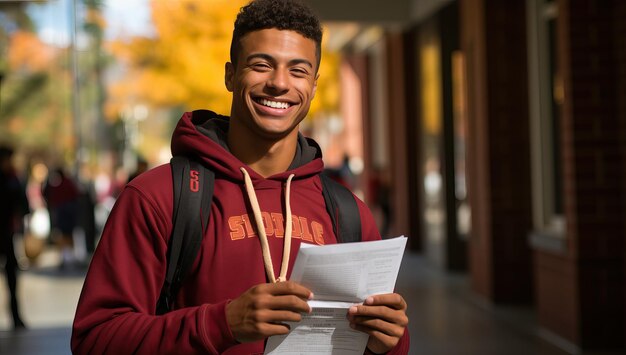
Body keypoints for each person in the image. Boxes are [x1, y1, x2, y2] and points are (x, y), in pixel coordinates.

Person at [71, 0, 409, 353]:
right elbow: (94, 339)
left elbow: (375, 343)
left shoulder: (347, 212)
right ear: (231, 75)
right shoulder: (158, 198)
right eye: (262, 65)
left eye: (298, 71)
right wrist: (222, 323)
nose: (279, 83)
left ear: (313, 84)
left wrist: (389, 342)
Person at [0, 145, 29, 330]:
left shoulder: (12, 178)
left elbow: (23, 204)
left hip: (7, 233)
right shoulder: (10, 179)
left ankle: (16, 316)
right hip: (5, 231)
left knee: (12, 275)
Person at [42, 166, 80, 268]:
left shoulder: (59, 185)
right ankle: (68, 256)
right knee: (66, 234)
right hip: (67, 212)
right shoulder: (66, 183)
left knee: (64, 234)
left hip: (64, 212)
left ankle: (67, 256)